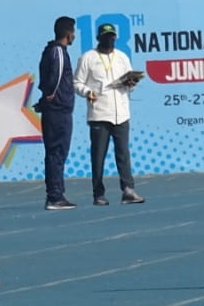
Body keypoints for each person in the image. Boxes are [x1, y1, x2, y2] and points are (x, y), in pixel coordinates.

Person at [74, 22, 146, 206]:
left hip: (121, 112)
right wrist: (87, 92)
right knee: (98, 156)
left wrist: (131, 83)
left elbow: (129, 78)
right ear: (99, 38)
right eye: (106, 36)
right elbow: (76, 82)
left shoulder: (122, 57)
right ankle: (98, 193)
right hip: (99, 113)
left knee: (123, 153)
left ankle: (128, 190)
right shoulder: (88, 58)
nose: (110, 39)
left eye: (112, 36)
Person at [37, 16, 78, 210]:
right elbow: (57, 75)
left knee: (55, 152)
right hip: (58, 111)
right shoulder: (58, 52)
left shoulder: (50, 51)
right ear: (68, 33)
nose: (74, 36)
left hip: (55, 109)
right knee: (57, 152)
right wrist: (51, 96)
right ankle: (55, 195)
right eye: (73, 32)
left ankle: (56, 193)